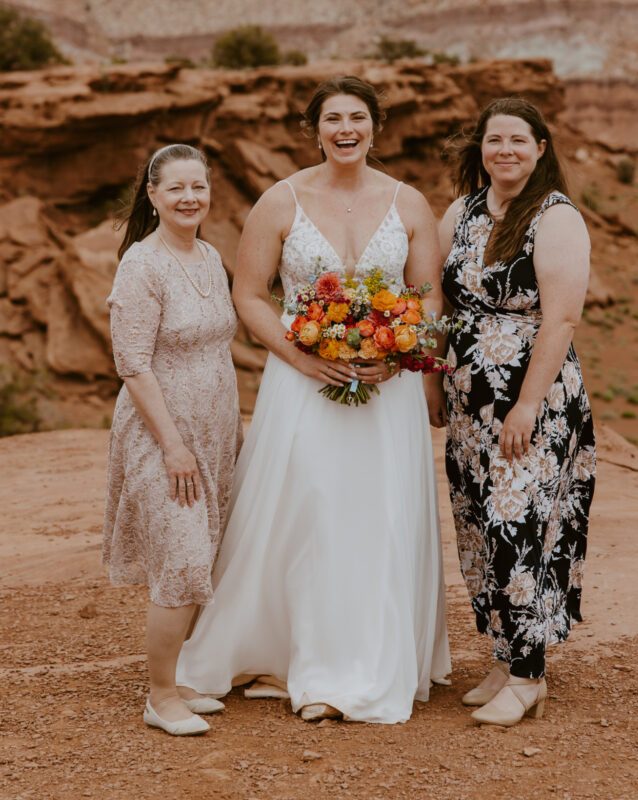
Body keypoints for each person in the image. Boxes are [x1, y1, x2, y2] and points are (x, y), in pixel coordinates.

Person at [176, 75, 451, 723]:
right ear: (315, 129)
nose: (345, 129)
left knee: (378, 514)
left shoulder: (408, 204)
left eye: (357, 117)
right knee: (307, 507)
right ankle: (289, 653)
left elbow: (430, 295)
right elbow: (247, 293)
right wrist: (302, 357)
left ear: (374, 127)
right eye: (332, 119)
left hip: (389, 389)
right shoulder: (280, 201)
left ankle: (357, 665)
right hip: (302, 384)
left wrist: (400, 347)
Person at [437, 97, 596, 727]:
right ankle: (506, 655)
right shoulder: (463, 211)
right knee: (480, 525)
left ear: (540, 148)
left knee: (520, 525)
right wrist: (435, 375)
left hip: (532, 401)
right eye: (493, 139)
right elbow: (447, 304)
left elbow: (560, 318)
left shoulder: (556, 217)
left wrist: (526, 404)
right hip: (468, 401)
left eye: (517, 140)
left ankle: (530, 675)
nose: (504, 150)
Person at [103, 143, 243, 736]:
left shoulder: (209, 254)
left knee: (205, 551)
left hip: (215, 427)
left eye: (199, 187)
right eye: (176, 189)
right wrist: (173, 444)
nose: (190, 198)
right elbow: (132, 363)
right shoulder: (141, 265)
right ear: (153, 196)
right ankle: (161, 696)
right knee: (183, 561)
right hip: (163, 434)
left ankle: (179, 677)